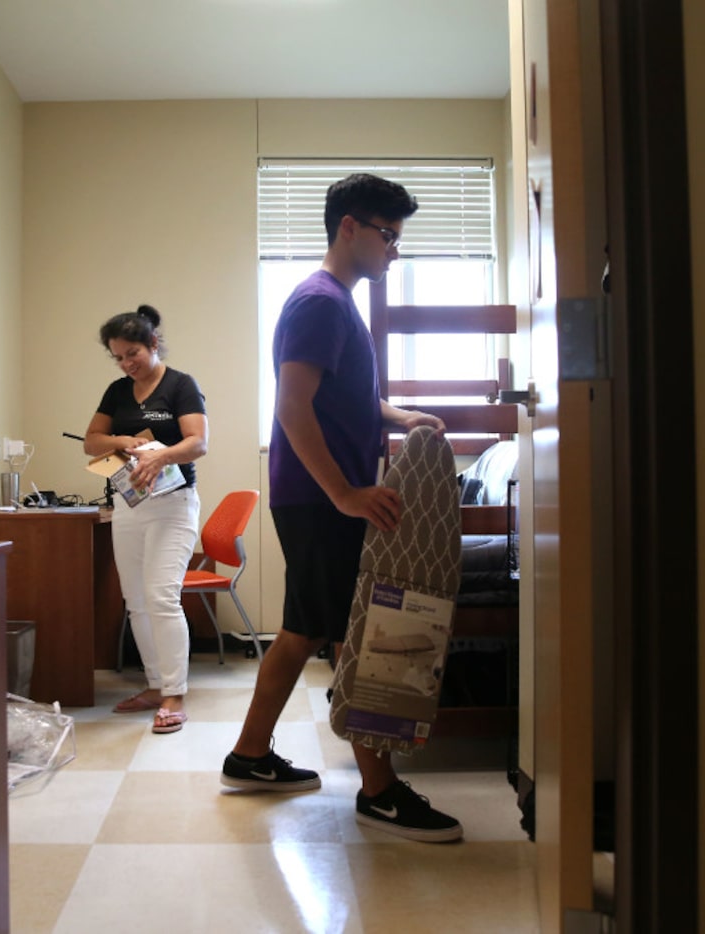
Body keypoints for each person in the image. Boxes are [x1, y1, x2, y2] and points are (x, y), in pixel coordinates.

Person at [220, 174, 463, 842]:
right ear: (350, 226)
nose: (394, 250)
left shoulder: (333, 303)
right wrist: (345, 494)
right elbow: (292, 406)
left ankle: (248, 755)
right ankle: (379, 790)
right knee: (351, 635)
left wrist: (398, 411)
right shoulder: (321, 303)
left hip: (318, 498)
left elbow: (337, 396)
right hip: (323, 499)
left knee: (305, 629)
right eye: (388, 235)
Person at [84, 305, 208, 735]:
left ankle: (174, 692)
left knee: (161, 597)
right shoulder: (118, 391)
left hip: (174, 504)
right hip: (130, 505)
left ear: (153, 344)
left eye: (133, 353)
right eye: (118, 357)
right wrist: (123, 440)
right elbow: (91, 440)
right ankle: (155, 686)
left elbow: (197, 443)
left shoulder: (180, 385)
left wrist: (160, 455)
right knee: (135, 599)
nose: (126, 363)